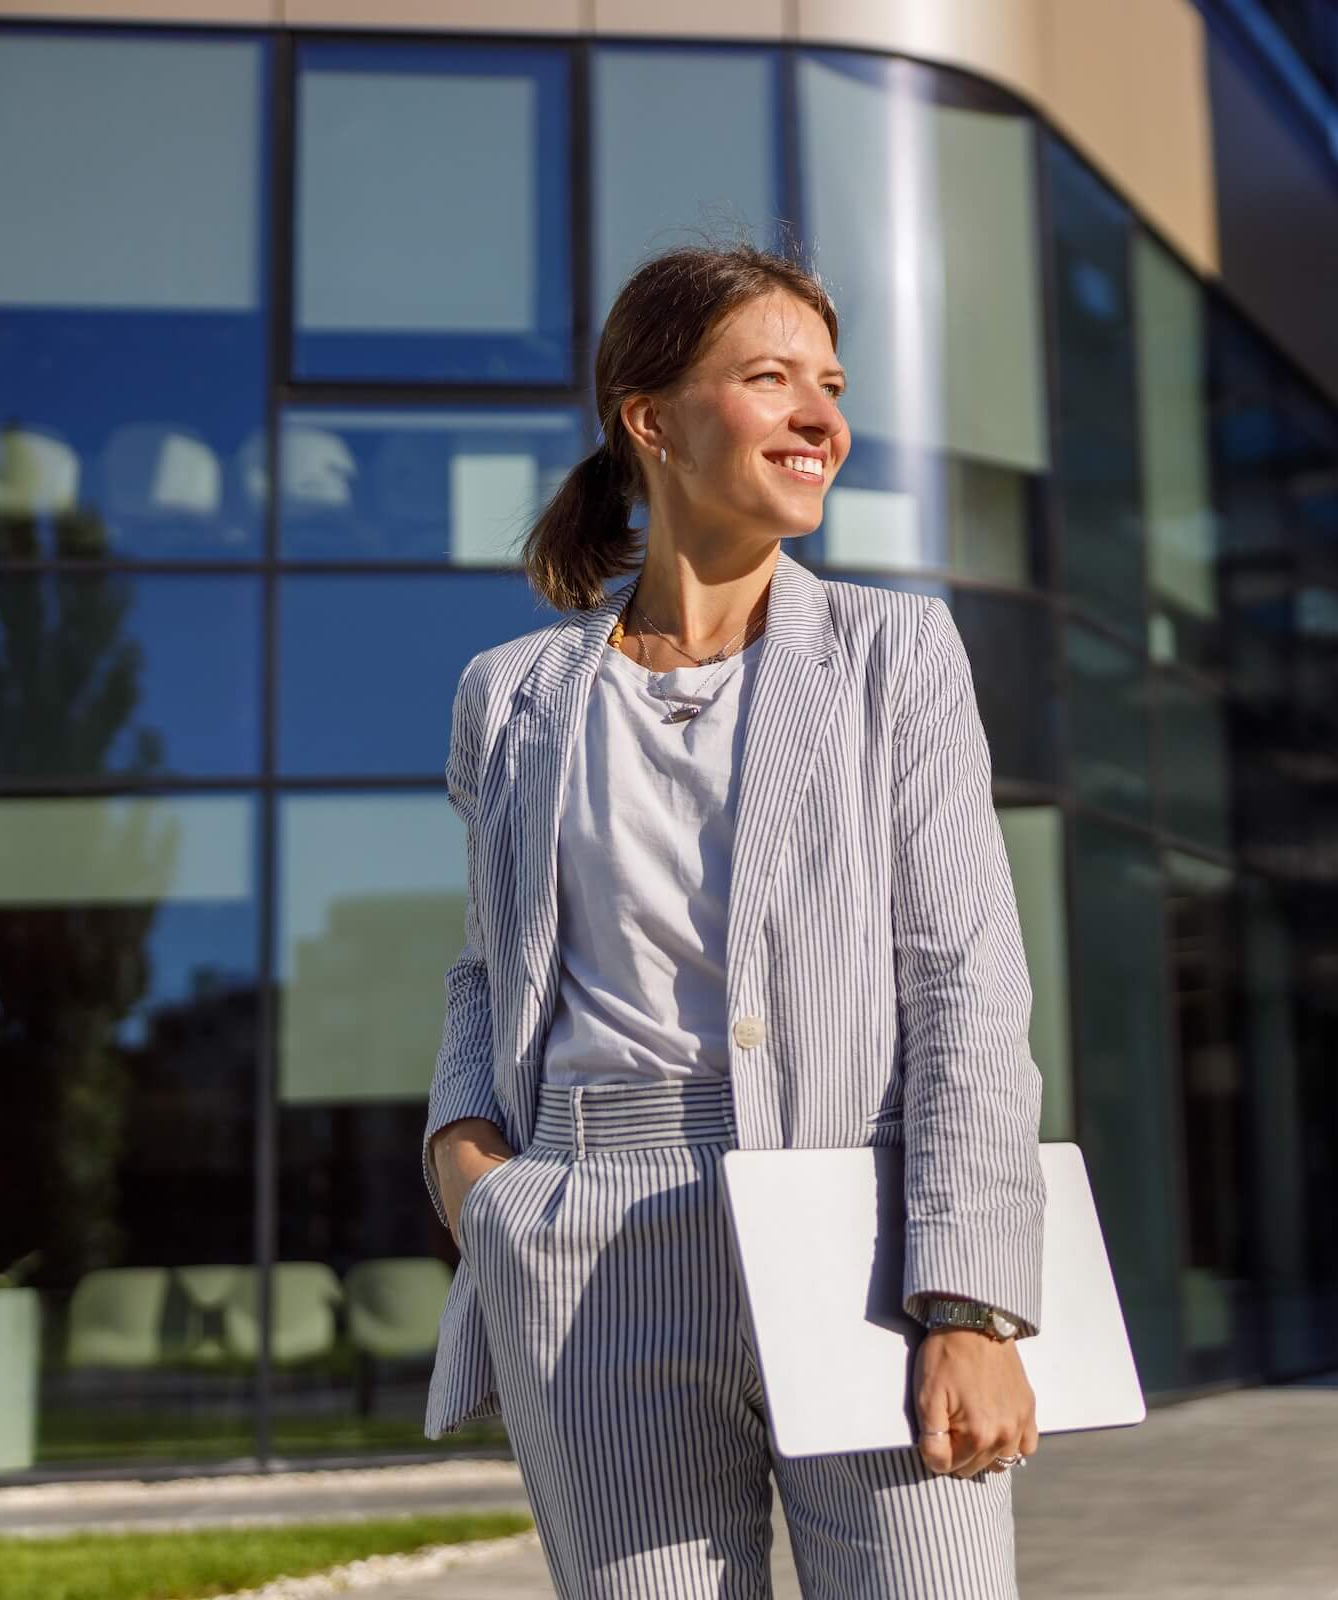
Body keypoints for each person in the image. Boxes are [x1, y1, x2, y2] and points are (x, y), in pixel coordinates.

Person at [416, 241, 1047, 1599]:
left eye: (831, 383)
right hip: (589, 1242)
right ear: (652, 420)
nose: (825, 417)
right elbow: (491, 969)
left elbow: (966, 984)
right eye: (773, 379)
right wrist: (468, 1164)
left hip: (863, 1230)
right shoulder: (512, 698)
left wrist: (970, 1299)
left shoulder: (898, 654)